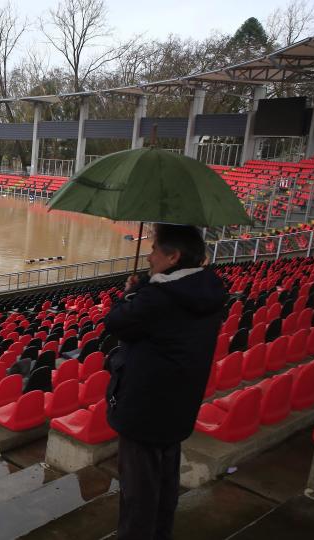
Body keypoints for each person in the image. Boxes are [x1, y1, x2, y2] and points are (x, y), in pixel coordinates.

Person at [105, 224, 226, 540]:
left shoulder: (157, 299)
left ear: (173, 257)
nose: (148, 256)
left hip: (144, 410)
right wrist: (147, 287)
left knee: (138, 495)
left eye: (155, 249)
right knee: (164, 485)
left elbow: (116, 323)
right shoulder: (207, 289)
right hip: (179, 406)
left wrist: (130, 293)